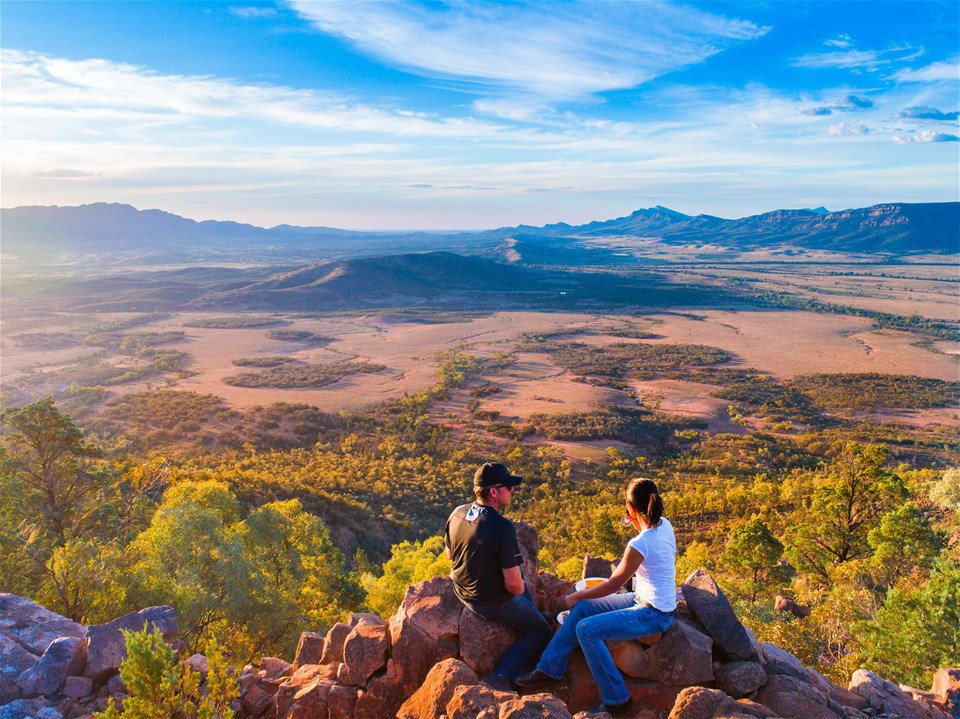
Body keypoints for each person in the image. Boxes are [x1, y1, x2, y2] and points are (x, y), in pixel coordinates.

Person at [515, 478, 676, 717]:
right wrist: (583, 600)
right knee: (585, 609)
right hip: (640, 598)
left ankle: (617, 700)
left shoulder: (640, 543)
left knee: (586, 629)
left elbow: (613, 585)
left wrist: (577, 595)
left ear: (630, 509)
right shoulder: (664, 525)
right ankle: (549, 669)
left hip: (654, 613)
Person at [444, 462, 553, 690]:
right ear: (494, 492)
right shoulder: (502, 527)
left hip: (461, 590)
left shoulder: (457, 513)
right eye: (508, 487)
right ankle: (503, 676)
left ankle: (533, 614)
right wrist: (519, 588)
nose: (512, 491)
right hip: (489, 603)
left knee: (519, 581)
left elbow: (449, 554)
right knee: (541, 630)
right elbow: (513, 586)